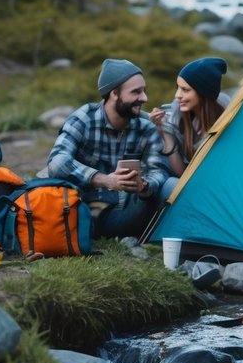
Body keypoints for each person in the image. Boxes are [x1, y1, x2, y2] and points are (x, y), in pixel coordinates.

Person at [44, 57, 168, 239]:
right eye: (136, 92)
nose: (144, 98)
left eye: (144, 91)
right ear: (113, 93)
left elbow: (159, 171)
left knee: (167, 188)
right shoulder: (84, 118)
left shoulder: (146, 127)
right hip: (80, 209)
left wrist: (144, 185)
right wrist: (105, 180)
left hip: (124, 213)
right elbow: (56, 162)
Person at [150, 56, 229, 201]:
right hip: (192, 187)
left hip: (216, 191)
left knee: (169, 186)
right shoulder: (181, 117)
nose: (177, 95)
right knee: (170, 185)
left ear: (203, 92)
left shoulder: (227, 123)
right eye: (178, 88)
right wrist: (165, 132)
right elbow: (183, 175)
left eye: (185, 90)